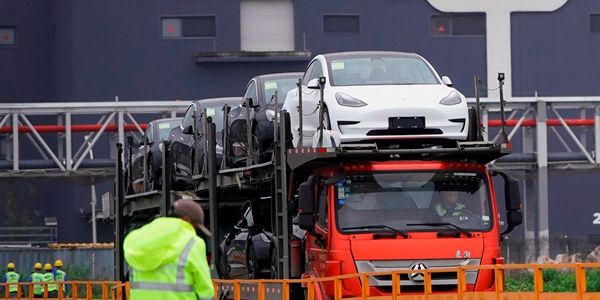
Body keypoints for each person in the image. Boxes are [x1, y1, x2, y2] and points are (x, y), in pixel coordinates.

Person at [124, 199, 215, 300]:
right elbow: (204, 288)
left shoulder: (141, 239)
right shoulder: (192, 242)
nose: (194, 231)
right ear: (186, 220)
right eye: (195, 226)